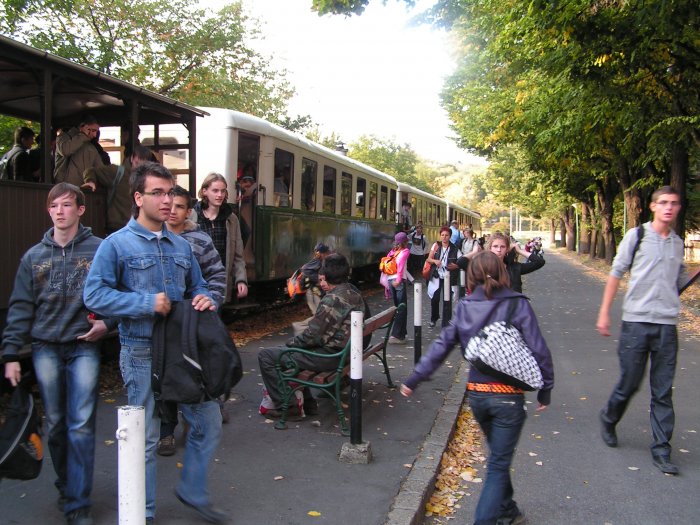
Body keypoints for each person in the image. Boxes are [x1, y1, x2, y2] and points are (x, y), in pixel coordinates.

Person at [83, 162, 221, 523]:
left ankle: (192, 490)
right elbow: (94, 295)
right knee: (144, 438)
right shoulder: (116, 244)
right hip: (141, 351)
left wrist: (205, 297)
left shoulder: (180, 246)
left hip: (181, 353)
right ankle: (141, 513)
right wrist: (144, 303)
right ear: (138, 197)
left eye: (170, 192)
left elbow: (199, 285)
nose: (166, 200)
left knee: (209, 421)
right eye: (157, 193)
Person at [401, 251, 554, 525]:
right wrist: (546, 387)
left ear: (470, 276)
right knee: (498, 464)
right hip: (508, 398)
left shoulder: (465, 306)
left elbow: (442, 345)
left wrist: (415, 378)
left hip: (477, 395)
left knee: (498, 456)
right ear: (503, 272)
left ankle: (507, 510)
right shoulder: (517, 304)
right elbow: (539, 348)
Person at [2, 183, 109, 525]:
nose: (60, 211)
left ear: (81, 210)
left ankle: (78, 502)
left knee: (81, 425)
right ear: (48, 211)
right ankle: (67, 484)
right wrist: (11, 354)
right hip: (45, 347)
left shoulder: (100, 250)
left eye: (66, 205)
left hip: (84, 346)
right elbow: (21, 306)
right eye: (54, 206)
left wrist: (107, 323)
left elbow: (116, 291)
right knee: (58, 424)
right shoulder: (34, 257)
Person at [597, 186, 686, 475]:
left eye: (674, 203)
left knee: (662, 390)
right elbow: (616, 273)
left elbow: (678, 280)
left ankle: (661, 449)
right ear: (653, 206)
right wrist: (604, 313)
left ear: (678, 208)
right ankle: (609, 417)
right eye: (664, 202)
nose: (669, 207)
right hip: (636, 323)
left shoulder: (677, 243)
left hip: (667, 326)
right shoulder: (636, 236)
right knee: (630, 382)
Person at [157, 185, 228, 457]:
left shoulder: (199, 240)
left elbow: (217, 275)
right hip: (162, 322)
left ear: (189, 211)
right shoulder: (152, 237)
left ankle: (196, 421)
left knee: (192, 375)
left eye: (179, 206)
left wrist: (211, 300)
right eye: (170, 205)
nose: (172, 211)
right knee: (164, 376)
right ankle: (166, 431)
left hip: (192, 321)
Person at [258, 253, 367, 419]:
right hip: (346, 354)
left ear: (328, 275)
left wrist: (290, 343)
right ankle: (308, 403)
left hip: (331, 357)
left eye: (323, 276)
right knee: (292, 353)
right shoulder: (354, 292)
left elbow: (312, 337)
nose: (321, 282)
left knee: (266, 356)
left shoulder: (333, 299)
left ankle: (288, 407)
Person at [193, 173, 248, 304]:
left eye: (223, 191)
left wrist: (241, 279)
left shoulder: (231, 219)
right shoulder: (192, 217)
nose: (220, 195)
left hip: (219, 281)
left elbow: (238, 255)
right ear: (204, 191)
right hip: (196, 280)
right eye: (215, 190)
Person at [83, 145, 154, 233]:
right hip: (117, 226)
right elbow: (91, 171)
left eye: (143, 165)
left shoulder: (147, 178)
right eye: (137, 163)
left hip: (138, 226)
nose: (139, 168)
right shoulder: (117, 172)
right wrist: (90, 181)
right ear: (132, 158)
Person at [291, 243, 332, 335]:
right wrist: (318, 279)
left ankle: (311, 333)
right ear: (322, 253)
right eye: (326, 252)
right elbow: (305, 269)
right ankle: (299, 327)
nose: (328, 254)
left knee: (320, 314)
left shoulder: (320, 261)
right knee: (319, 315)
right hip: (313, 293)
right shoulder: (316, 261)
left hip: (315, 292)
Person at [54, 115, 104, 186]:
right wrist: (83, 135)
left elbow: (100, 170)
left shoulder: (91, 148)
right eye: (92, 130)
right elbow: (65, 151)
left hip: (82, 189)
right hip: (64, 187)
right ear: (82, 127)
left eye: (96, 131)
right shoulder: (63, 138)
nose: (95, 135)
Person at [425, 226, 460, 328]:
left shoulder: (455, 249)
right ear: (440, 236)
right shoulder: (436, 245)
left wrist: (456, 265)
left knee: (447, 300)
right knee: (435, 299)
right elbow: (428, 259)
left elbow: (461, 261)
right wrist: (435, 261)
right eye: (442, 235)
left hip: (448, 277)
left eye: (446, 235)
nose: (444, 237)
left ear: (450, 236)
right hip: (436, 276)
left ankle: (446, 321)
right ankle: (434, 318)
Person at [386, 231, 411, 344]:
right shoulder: (405, 251)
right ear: (405, 242)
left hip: (390, 280)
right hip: (398, 281)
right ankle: (396, 335)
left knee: (398, 307)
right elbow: (400, 266)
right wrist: (399, 280)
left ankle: (402, 334)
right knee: (402, 308)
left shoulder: (392, 252)